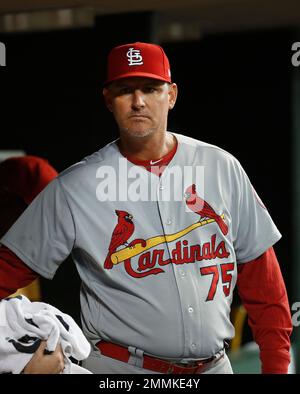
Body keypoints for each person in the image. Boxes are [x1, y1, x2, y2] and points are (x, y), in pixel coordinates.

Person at [0, 42, 292, 374]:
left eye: (151, 88)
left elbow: (264, 285)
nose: (139, 101)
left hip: (214, 366)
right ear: (108, 100)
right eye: (126, 90)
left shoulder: (221, 167)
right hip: (122, 370)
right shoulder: (75, 187)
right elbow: (8, 268)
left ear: (172, 95)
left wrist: (277, 367)